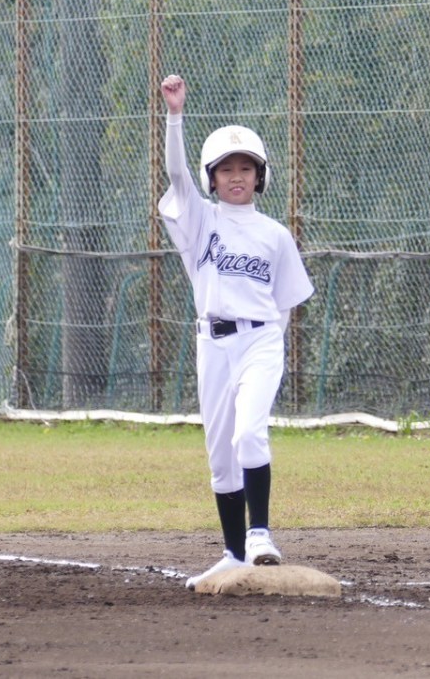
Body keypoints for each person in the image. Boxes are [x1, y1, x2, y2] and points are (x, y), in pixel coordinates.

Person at [158, 74, 314, 591]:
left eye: (246, 167)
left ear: (260, 175)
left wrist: (266, 342)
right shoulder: (199, 222)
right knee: (221, 455)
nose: (237, 176)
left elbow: (285, 304)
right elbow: (175, 173)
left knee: (249, 433)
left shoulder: (275, 235)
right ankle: (231, 553)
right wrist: (175, 115)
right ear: (212, 178)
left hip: (260, 339)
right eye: (226, 169)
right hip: (211, 343)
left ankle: (259, 534)